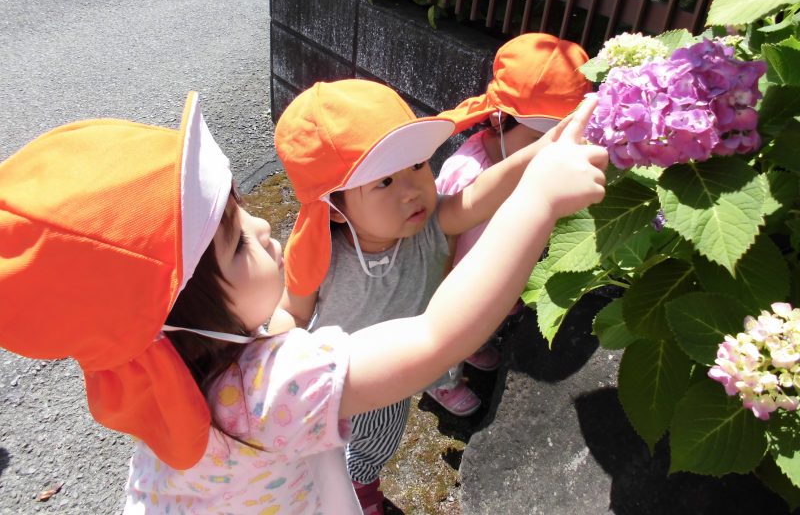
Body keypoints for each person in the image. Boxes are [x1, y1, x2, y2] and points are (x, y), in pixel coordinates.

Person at [0, 91, 605, 514]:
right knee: (365, 450)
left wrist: (540, 152)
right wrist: (540, 202)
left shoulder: (166, 367)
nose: (267, 226)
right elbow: (435, 338)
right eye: (237, 242)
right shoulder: (270, 388)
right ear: (180, 316)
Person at [268, 75, 589, 513]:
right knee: (320, 453)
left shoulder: (432, 223)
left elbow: (479, 195)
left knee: (378, 441)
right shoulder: (324, 256)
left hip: (398, 375)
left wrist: (545, 147)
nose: (413, 190)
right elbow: (292, 311)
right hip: (333, 377)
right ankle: (343, 490)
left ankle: (360, 482)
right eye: (384, 182)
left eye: (417, 166)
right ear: (335, 209)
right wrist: (269, 364)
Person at [426, 33, 592, 413]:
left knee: (484, 322)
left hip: (499, 278)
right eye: (537, 139)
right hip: (456, 281)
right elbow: (441, 240)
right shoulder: (466, 173)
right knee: (450, 331)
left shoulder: (532, 171)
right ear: (500, 120)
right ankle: (441, 378)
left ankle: (474, 345)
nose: (546, 153)